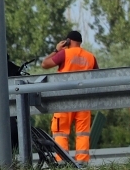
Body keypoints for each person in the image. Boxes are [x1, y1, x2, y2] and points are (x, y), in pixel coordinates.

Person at [40, 30, 97, 162]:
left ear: (68, 41)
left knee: (61, 132)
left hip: (64, 99)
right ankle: (82, 162)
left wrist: (56, 49)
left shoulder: (64, 53)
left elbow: (45, 64)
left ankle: (62, 161)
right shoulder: (90, 57)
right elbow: (97, 76)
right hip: (84, 100)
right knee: (83, 134)